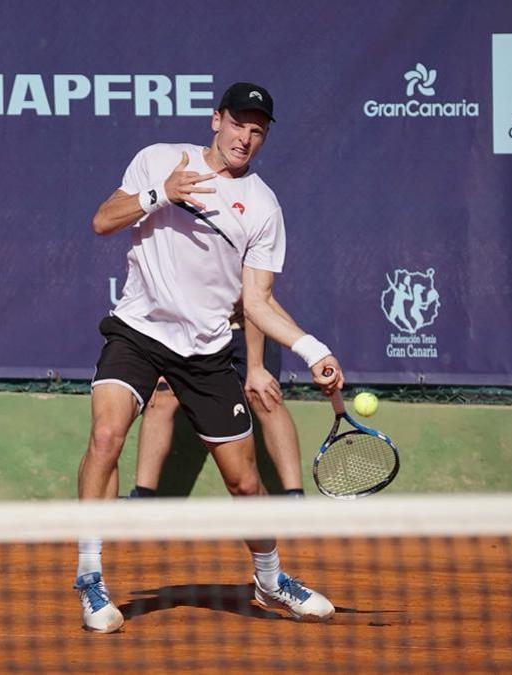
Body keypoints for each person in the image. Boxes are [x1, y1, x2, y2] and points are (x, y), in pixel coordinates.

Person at [76, 82, 345, 633]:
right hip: (138, 329)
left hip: (204, 352)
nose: (246, 137)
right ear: (215, 120)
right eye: (239, 123)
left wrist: (311, 347)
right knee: (106, 436)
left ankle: (269, 579)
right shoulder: (158, 160)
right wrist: (161, 194)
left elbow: (257, 302)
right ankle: (89, 576)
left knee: (245, 483)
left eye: (258, 130)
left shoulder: (264, 207)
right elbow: (103, 221)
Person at [130, 302, 307, 499]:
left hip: (246, 328)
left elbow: (253, 302)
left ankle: (295, 496)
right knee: (162, 394)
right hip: (191, 333)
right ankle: (143, 497)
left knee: (264, 396)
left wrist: (255, 367)